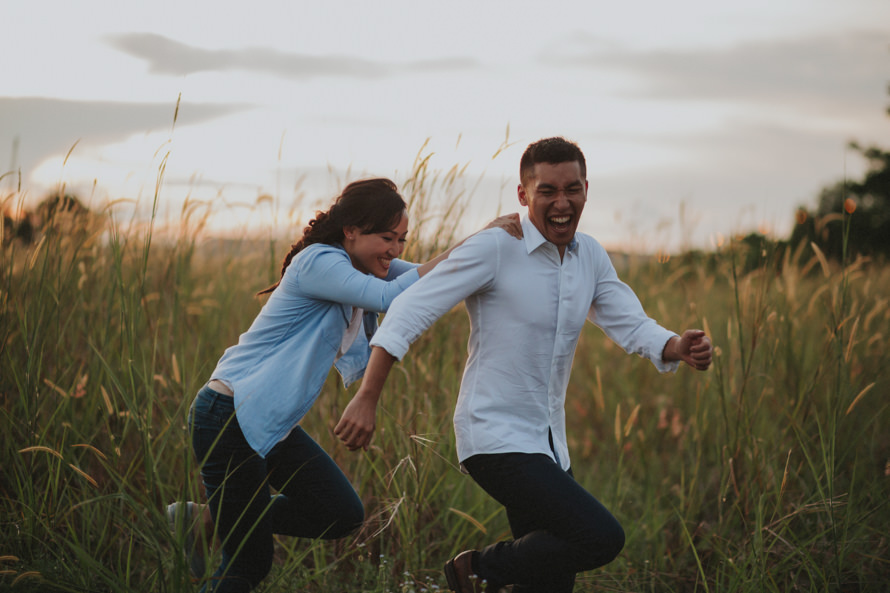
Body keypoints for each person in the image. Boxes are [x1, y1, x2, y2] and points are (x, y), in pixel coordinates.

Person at [334, 138, 713, 593]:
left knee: (551, 583)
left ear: (586, 190)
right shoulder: (495, 248)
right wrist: (367, 396)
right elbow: (409, 310)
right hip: (493, 436)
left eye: (571, 189)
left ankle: (492, 579)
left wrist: (675, 346)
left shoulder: (589, 255)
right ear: (522, 195)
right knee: (599, 536)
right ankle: (476, 568)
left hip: (550, 445)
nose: (561, 202)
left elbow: (628, 321)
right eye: (547, 191)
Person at [166, 177, 521, 593]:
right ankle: (221, 520)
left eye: (403, 240)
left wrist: (485, 241)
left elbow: (428, 279)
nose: (396, 250)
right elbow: (392, 299)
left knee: (339, 512)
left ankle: (207, 518)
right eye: (387, 238)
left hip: (267, 424)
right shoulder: (320, 262)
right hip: (230, 415)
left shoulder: (364, 265)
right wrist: (481, 235)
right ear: (351, 230)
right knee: (247, 564)